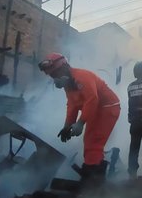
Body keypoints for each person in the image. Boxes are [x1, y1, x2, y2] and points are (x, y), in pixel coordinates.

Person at [38, 53, 120, 185]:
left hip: (108, 108)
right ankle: (92, 176)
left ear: (64, 67)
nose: (55, 79)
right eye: (52, 76)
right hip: (96, 109)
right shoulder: (68, 85)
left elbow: (92, 100)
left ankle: (93, 181)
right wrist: (67, 126)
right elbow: (72, 105)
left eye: (55, 74)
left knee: (94, 142)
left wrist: (80, 123)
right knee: (89, 142)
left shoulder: (82, 77)